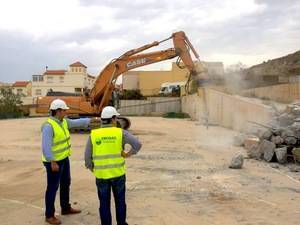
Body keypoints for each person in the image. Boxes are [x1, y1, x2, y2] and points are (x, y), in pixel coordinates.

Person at [85, 106, 141, 225]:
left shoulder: (94, 134)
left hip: (101, 176)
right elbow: (137, 144)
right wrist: (127, 154)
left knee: (104, 203)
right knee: (120, 201)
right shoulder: (120, 133)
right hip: (118, 174)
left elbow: (87, 159)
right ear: (113, 119)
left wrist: (94, 169)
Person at [42, 99, 91, 225]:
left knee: (66, 183)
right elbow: (46, 146)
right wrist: (52, 162)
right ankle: (49, 215)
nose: (66, 112)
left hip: (64, 158)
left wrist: (91, 120)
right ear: (58, 111)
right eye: (64, 110)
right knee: (52, 188)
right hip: (54, 162)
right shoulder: (49, 126)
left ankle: (65, 208)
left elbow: (76, 122)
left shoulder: (63, 122)